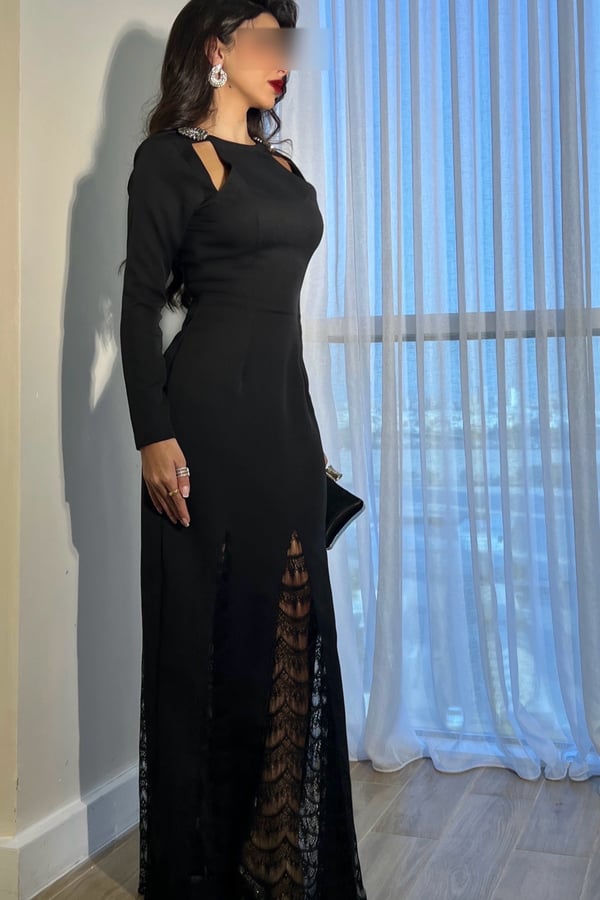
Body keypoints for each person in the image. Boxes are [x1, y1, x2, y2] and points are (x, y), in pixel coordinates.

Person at [119, 1, 368, 897]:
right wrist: (152, 434)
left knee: (290, 631)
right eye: (269, 40)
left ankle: (277, 859)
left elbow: (282, 322)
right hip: (202, 426)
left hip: (282, 425)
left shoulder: (284, 168)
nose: (285, 58)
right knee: (209, 640)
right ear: (217, 49)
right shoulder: (170, 160)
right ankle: (200, 873)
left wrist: (309, 436)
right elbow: (138, 308)